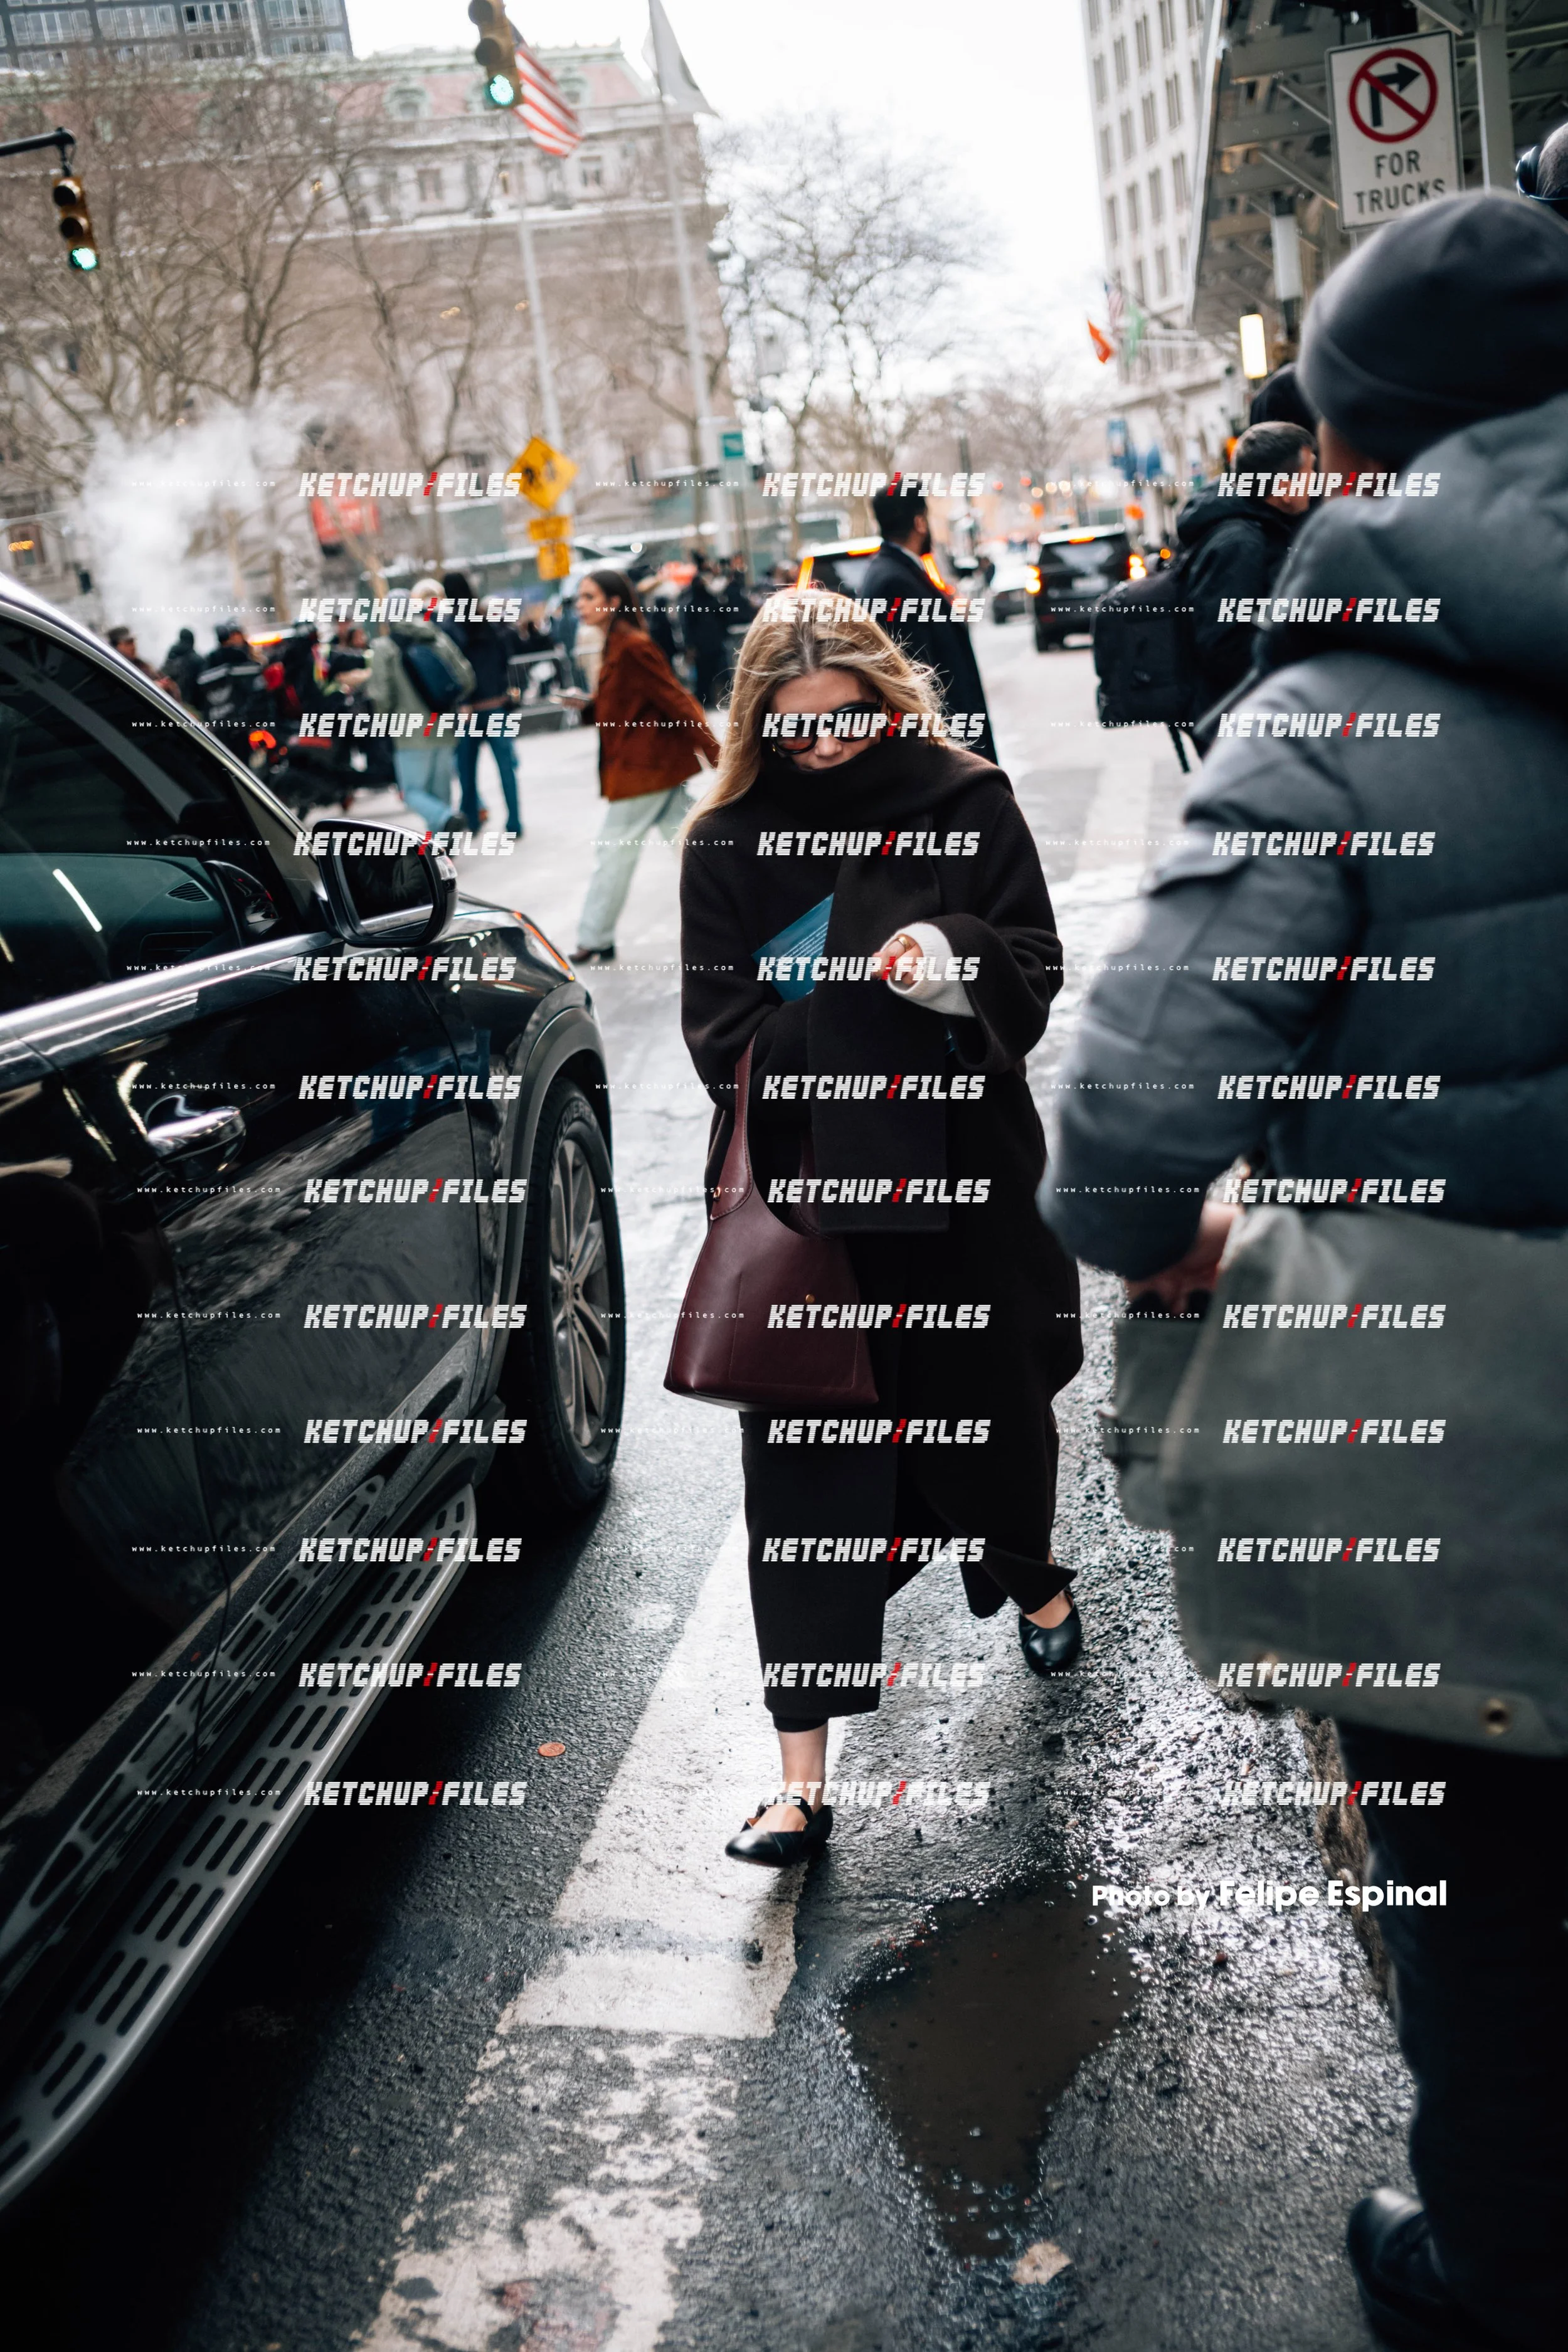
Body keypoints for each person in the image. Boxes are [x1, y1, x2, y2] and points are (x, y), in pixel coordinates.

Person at [1037, 193, 1568, 2352]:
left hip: (1476, 1461)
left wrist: (1192, 1258)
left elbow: (1119, 1144)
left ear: (1357, 449)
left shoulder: (1336, 719)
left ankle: (1503, 2277)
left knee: (1501, 1918)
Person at [680, 591, 1084, 1867]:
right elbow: (717, 1034)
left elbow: (1031, 956)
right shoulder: (723, 841)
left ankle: (1027, 1569)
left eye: (841, 723)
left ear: (882, 695)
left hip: (964, 1175)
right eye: (788, 730)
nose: (818, 748)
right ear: (754, 721)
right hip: (813, 1202)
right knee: (803, 1472)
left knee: (991, 1409)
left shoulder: (964, 798)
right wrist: (849, 1008)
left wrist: (947, 958)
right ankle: (799, 1777)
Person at [563, 569, 718, 964]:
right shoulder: (617, 645)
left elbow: (676, 699)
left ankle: (594, 936)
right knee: (691, 851)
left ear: (613, 602)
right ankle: (741, 910)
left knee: (614, 853)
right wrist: (588, 706)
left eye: (588, 596)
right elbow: (624, 705)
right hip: (649, 769)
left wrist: (720, 754)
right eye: (579, 597)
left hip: (645, 770)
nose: (579, 604)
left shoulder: (632, 646)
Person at [1173, 418, 1316, 719]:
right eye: (1309, 472)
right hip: (1241, 714)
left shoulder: (1267, 528)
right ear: (1284, 487)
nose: (1315, 481)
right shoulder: (1240, 543)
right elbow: (1224, 647)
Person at [857, 484, 998, 763]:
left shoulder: (893, 572)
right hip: (949, 748)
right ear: (919, 522)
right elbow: (920, 679)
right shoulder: (894, 581)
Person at [366, 576, 474, 838]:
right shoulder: (437, 637)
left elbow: (382, 696)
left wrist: (384, 723)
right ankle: (445, 850)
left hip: (410, 734)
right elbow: (467, 679)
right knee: (441, 792)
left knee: (412, 792)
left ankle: (445, 819)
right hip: (445, 728)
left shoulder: (385, 647)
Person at [440, 568, 522, 837]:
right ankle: (515, 823)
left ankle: (473, 822)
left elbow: (450, 670)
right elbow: (505, 658)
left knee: (466, 771)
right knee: (506, 769)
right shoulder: (487, 622)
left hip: (467, 711)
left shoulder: (449, 628)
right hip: (495, 705)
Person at [677, 551, 733, 708]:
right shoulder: (692, 604)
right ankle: (706, 702)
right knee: (705, 677)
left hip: (713, 644)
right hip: (703, 647)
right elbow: (687, 626)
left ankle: (719, 701)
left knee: (721, 674)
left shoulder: (710, 601)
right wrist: (690, 647)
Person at [161, 626, 201, 703]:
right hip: (187, 700)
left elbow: (164, 672)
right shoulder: (196, 659)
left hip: (175, 699)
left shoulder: (174, 652)